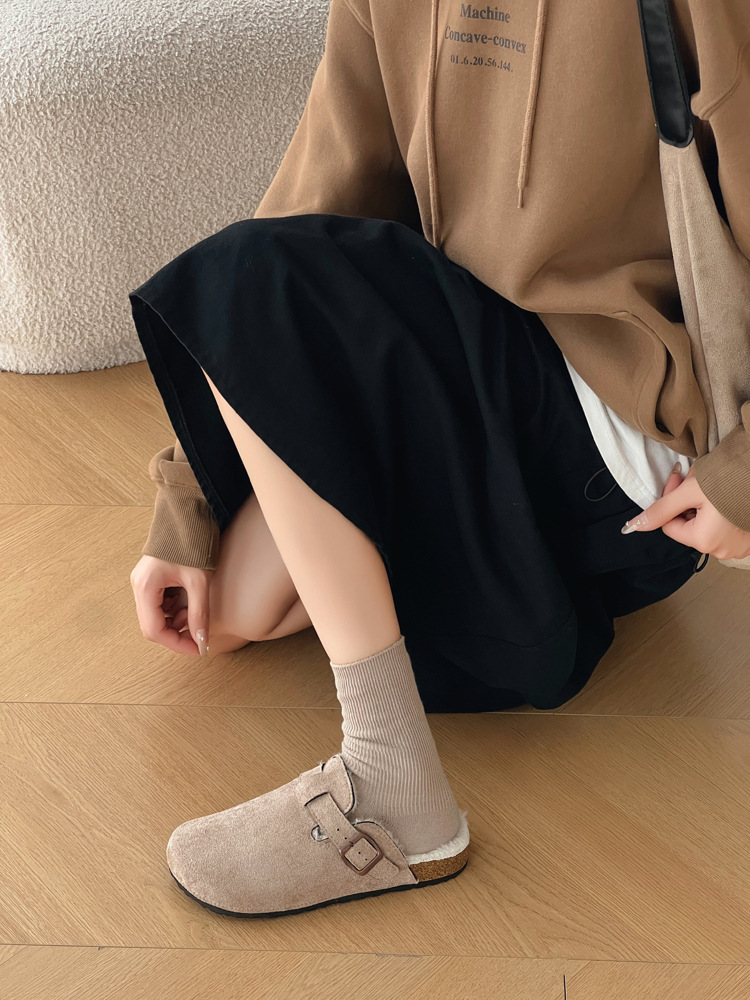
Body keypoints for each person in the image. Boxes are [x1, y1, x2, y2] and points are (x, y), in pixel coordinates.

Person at [127, 0, 750, 917]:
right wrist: (190, 499)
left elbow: (266, 277)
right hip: (481, 388)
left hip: (626, 437)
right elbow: (323, 195)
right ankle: (484, 613)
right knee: (232, 610)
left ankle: (393, 789)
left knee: (244, 276)